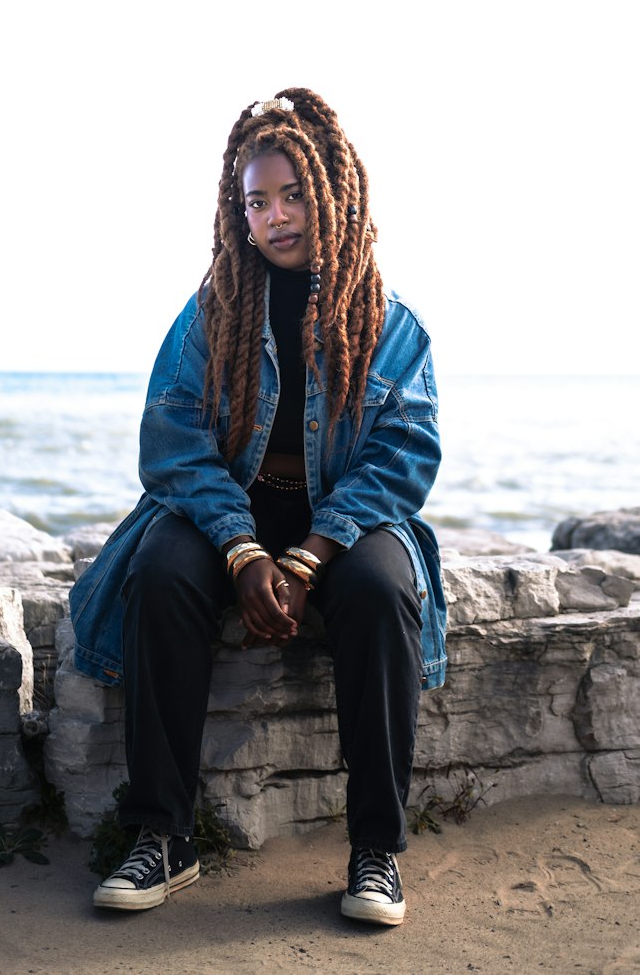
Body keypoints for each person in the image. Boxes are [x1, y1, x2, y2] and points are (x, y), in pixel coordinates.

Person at [69, 88, 446, 927]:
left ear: (332, 194)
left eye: (292, 196)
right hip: (225, 516)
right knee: (162, 572)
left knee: (386, 592)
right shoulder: (211, 314)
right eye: (255, 203)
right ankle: (163, 835)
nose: (273, 218)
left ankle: (375, 850)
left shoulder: (393, 328)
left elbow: (404, 458)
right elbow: (170, 442)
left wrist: (311, 555)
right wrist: (241, 550)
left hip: (341, 523)